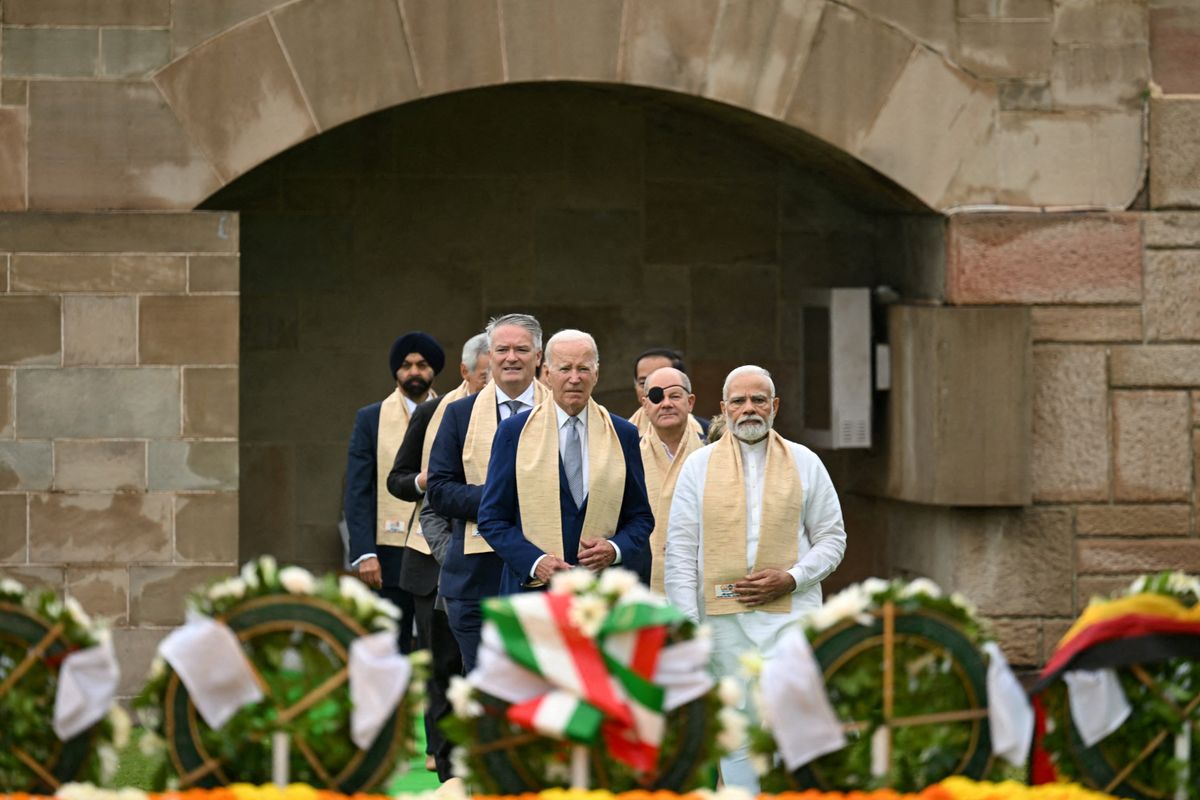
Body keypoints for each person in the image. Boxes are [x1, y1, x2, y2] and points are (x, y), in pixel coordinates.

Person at [665, 365, 846, 793]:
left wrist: (791, 577)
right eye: (740, 401)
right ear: (724, 409)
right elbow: (680, 554)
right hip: (721, 623)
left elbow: (831, 539)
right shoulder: (698, 466)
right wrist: (690, 630)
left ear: (775, 407)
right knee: (737, 728)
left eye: (759, 400)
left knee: (794, 722)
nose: (750, 409)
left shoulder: (806, 462)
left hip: (790, 615)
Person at [477, 329, 654, 593]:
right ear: (547, 373)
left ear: (596, 374)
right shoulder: (514, 432)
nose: (574, 378)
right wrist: (536, 562)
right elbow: (492, 519)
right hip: (532, 593)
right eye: (565, 369)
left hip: (601, 594)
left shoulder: (622, 434)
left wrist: (614, 549)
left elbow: (640, 517)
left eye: (583, 368)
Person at [385, 332, 487, 780]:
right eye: (485, 375)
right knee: (441, 662)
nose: (494, 382)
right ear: (465, 373)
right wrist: (427, 481)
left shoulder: (520, 416)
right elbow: (398, 479)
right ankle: (445, 761)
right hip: (433, 557)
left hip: (491, 557)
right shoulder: (434, 413)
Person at [426, 314, 549, 670]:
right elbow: (439, 491)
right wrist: (503, 500)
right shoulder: (459, 414)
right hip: (474, 580)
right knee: (486, 695)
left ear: (538, 357)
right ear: (490, 356)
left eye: (522, 349)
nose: (511, 357)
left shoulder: (561, 412)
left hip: (541, 570)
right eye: (502, 349)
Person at [344, 331, 444, 653]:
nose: (414, 372)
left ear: (435, 370)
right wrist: (364, 553)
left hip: (437, 547)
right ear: (395, 371)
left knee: (438, 645)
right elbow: (357, 489)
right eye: (406, 365)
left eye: (422, 364)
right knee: (388, 646)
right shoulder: (370, 418)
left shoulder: (453, 412)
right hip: (387, 553)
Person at [638, 366, 706, 593]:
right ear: (645, 405)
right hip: (645, 577)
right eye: (657, 397)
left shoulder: (714, 453)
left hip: (703, 575)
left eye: (675, 395)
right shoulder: (628, 455)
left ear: (691, 401)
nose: (666, 403)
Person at [627, 347, 709, 437]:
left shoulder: (708, 433)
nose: (651, 389)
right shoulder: (620, 433)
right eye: (643, 383)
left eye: (664, 380)